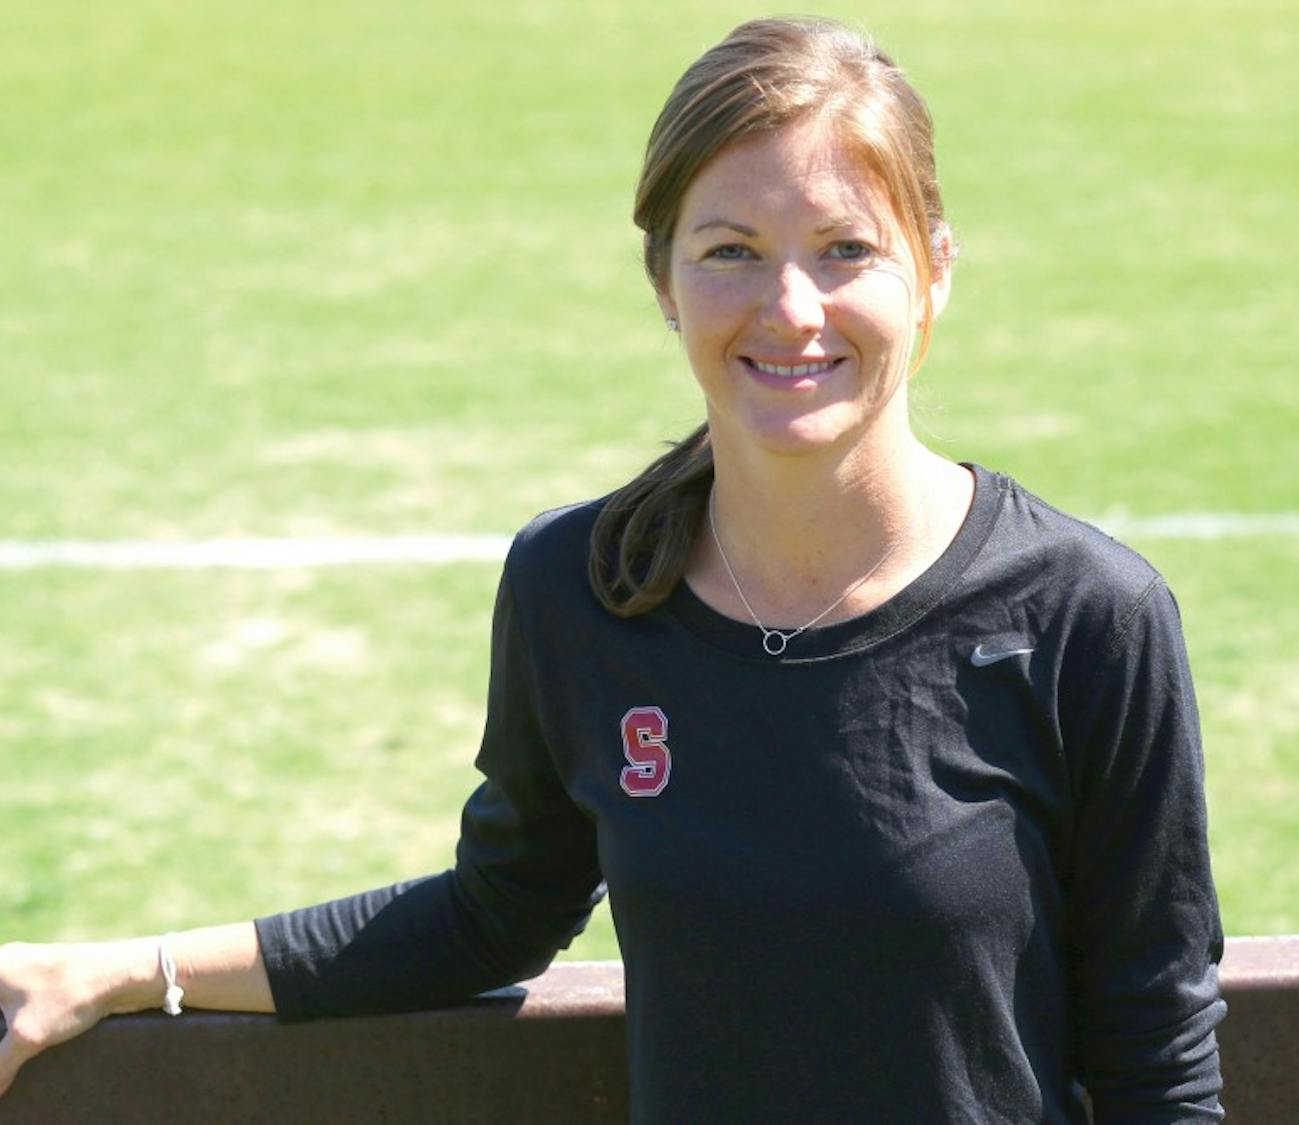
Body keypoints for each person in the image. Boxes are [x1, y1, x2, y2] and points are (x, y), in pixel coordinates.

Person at [0, 16, 1226, 1121]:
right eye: (731, 250)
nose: (791, 308)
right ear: (662, 280)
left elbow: (1158, 1060)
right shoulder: (578, 588)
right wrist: (128, 971)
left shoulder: (1089, 617)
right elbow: (493, 916)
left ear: (937, 270)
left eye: (846, 248)